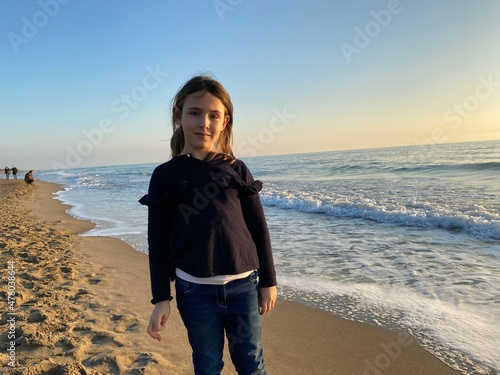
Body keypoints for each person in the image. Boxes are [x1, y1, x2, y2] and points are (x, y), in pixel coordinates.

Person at [140, 75, 277, 375]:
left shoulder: (236, 168)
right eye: (195, 113)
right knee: (207, 363)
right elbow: (158, 241)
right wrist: (161, 298)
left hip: (244, 286)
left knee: (251, 361)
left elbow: (258, 228)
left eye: (213, 115)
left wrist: (268, 280)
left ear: (225, 121)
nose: (204, 122)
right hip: (194, 291)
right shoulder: (165, 176)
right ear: (178, 115)